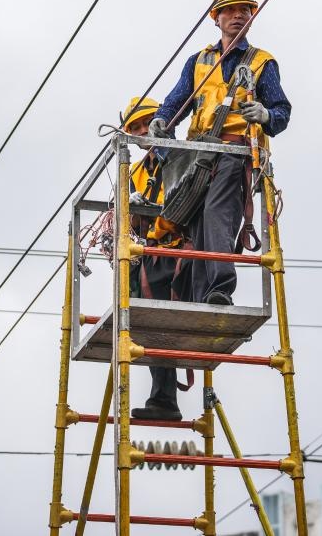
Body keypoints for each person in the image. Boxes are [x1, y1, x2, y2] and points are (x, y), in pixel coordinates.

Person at [149, 0, 292, 306]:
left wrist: (266, 114)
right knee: (199, 223)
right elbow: (175, 102)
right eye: (230, 10)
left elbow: (282, 112)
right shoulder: (199, 61)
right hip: (199, 156)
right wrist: (162, 126)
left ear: (252, 17)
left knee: (217, 214)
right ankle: (206, 297)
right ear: (216, 18)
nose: (238, 16)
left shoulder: (261, 62)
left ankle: (220, 286)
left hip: (235, 152)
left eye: (244, 10)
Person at [121, 97, 190, 421]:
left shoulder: (181, 156)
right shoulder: (135, 172)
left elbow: (182, 199)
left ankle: (165, 399)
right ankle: (163, 399)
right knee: (153, 327)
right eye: (134, 129)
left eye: (143, 124)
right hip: (150, 254)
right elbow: (127, 220)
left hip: (179, 249)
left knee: (172, 322)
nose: (140, 133)